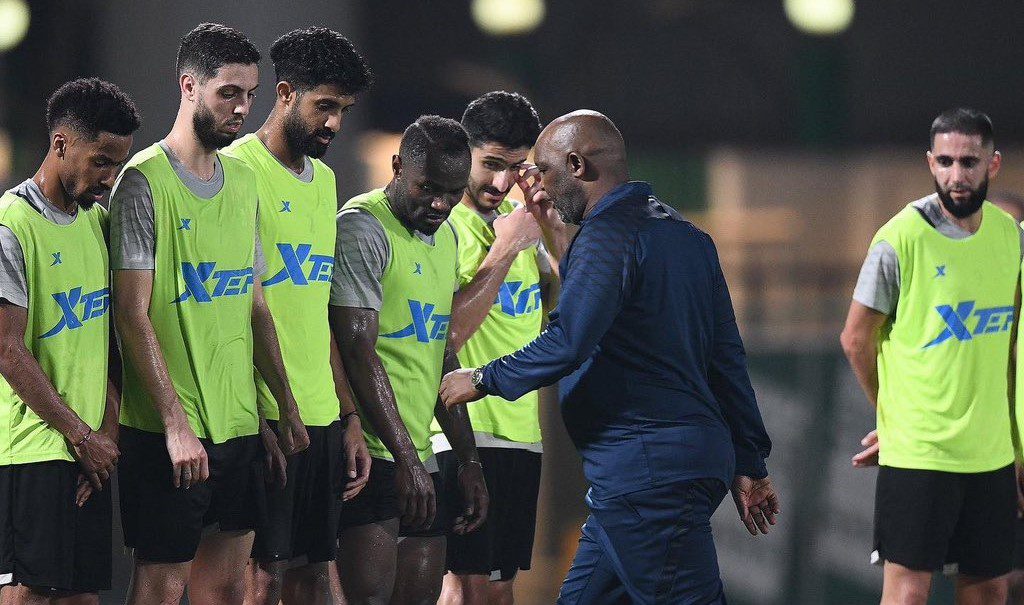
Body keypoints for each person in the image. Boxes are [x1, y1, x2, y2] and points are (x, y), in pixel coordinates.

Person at [440, 110, 777, 604]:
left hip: (647, 473)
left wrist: (485, 378)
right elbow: (726, 359)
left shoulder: (607, 235)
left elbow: (570, 339)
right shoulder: (686, 236)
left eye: (544, 171)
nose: (538, 188)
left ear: (577, 164)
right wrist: (750, 458)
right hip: (660, 471)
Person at [110, 23, 309, 605]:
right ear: (189, 86)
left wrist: (283, 411)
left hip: (240, 428)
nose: (243, 108)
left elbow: (255, 309)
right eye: (229, 93)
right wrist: (175, 425)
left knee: (225, 590)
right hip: (166, 433)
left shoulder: (244, 179)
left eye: (251, 95)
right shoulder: (142, 183)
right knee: (161, 587)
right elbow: (131, 315)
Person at [841, 108, 1021, 604]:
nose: (956, 175)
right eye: (944, 161)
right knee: (908, 594)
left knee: (988, 592)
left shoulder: (1011, 238)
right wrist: (890, 415)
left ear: (994, 164)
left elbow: (1011, 351)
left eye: (969, 161)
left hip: (992, 454)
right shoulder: (899, 239)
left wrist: (1017, 447)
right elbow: (855, 339)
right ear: (929, 163)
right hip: (921, 452)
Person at [226, 26, 374, 605]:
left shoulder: (327, 181)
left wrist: (349, 416)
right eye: (325, 106)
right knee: (261, 580)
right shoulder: (235, 172)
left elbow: (318, 316)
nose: (335, 123)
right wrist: (258, 416)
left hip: (322, 419)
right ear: (285, 93)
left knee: (317, 575)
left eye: (343, 110)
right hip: (266, 416)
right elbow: (234, 311)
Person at [329, 115, 489, 604]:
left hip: (418, 454)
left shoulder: (447, 238)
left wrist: (467, 459)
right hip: (372, 456)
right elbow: (357, 352)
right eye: (428, 188)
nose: (440, 203)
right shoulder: (362, 227)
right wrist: (403, 460)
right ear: (398, 167)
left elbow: (442, 353)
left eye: (453, 191)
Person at [0, 78, 138, 605]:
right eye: (101, 162)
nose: (109, 179)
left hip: (87, 451)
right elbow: (9, 352)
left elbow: (103, 347)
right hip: (31, 451)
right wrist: (82, 437)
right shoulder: (12, 225)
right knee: (29, 595)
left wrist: (104, 438)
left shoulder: (96, 223)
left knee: (81, 597)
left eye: (117, 165)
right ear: (61, 145)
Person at [434, 91, 557, 605]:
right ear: (464, 152)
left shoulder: (523, 223)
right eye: (490, 164)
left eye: (516, 166)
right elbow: (446, 336)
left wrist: (549, 230)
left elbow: (565, 309)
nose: (502, 182)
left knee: (501, 588)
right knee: (464, 587)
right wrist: (505, 248)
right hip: (460, 435)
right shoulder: (442, 226)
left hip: (521, 432)